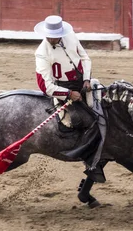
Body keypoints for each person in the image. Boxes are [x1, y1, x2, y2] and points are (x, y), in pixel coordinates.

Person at [33, 15, 107, 183]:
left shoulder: (71, 36)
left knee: (108, 106)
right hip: (63, 89)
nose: (52, 38)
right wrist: (68, 94)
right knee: (85, 120)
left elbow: (85, 57)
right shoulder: (41, 53)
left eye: (55, 35)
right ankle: (91, 163)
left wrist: (87, 78)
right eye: (49, 36)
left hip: (83, 82)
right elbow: (45, 86)